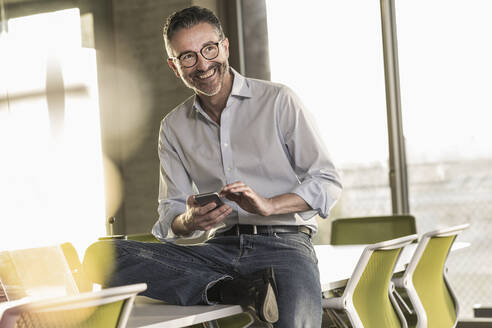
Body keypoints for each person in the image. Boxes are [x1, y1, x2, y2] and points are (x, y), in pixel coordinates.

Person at [84, 6, 342, 327]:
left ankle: (234, 288)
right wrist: (189, 220)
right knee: (101, 256)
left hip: (284, 244)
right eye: (188, 57)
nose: (203, 64)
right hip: (217, 249)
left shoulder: (279, 101)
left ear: (225, 46)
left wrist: (269, 204)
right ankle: (233, 289)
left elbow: (327, 182)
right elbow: (170, 219)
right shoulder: (173, 127)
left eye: (209, 49)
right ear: (174, 67)